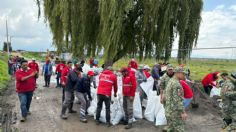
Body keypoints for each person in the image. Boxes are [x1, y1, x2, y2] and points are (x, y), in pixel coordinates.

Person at [164, 67, 188, 132]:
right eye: (183, 74)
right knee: (179, 129)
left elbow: (166, 94)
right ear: (178, 73)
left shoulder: (171, 81)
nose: (184, 76)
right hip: (175, 112)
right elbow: (177, 100)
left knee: (171, 129)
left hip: (169, 111)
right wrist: (182, 112)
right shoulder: (177, 84)